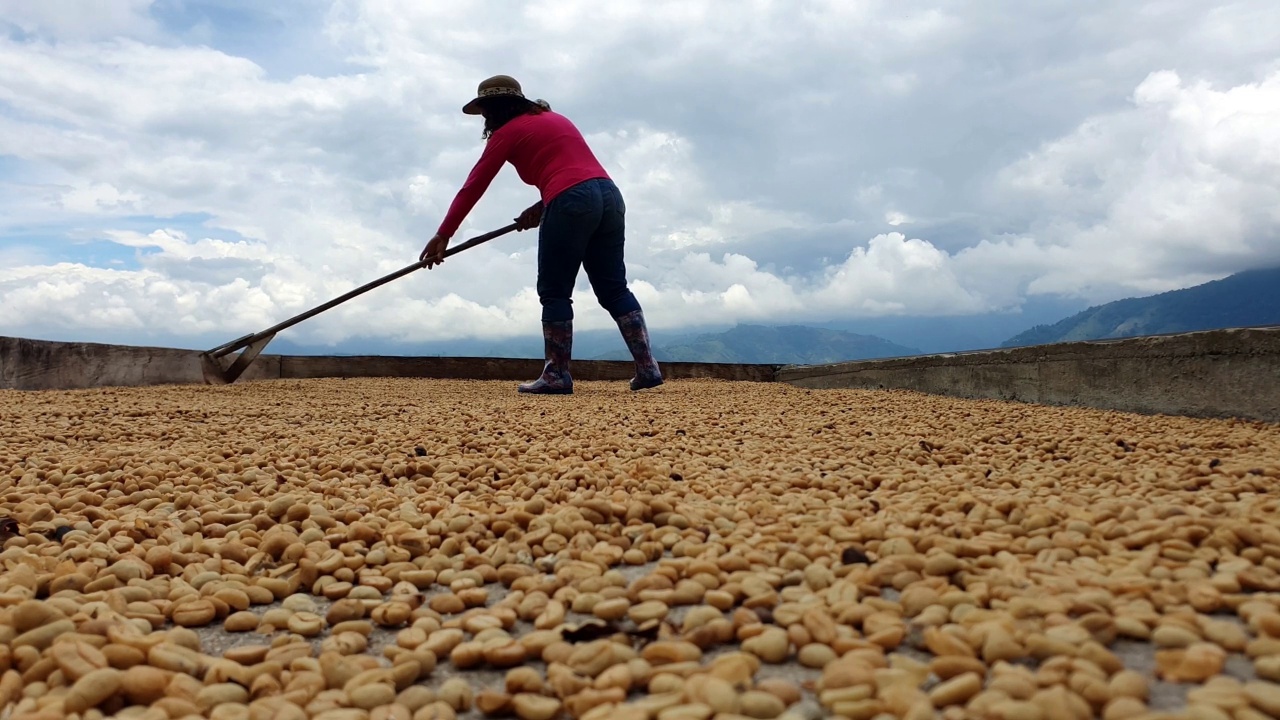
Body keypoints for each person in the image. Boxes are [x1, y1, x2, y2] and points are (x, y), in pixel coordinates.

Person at [420, 75, 663, 395]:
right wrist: (542, 205)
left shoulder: (506, 134)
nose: (484, 120)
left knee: (555, 291)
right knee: (614, 288)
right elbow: (574, 171)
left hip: (571, 200)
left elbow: (473, 187)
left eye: (485, 113)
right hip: (609, 197)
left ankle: (557, 374)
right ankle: (648, 368)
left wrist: (443, 234)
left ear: (495, 109)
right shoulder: (555, 119)